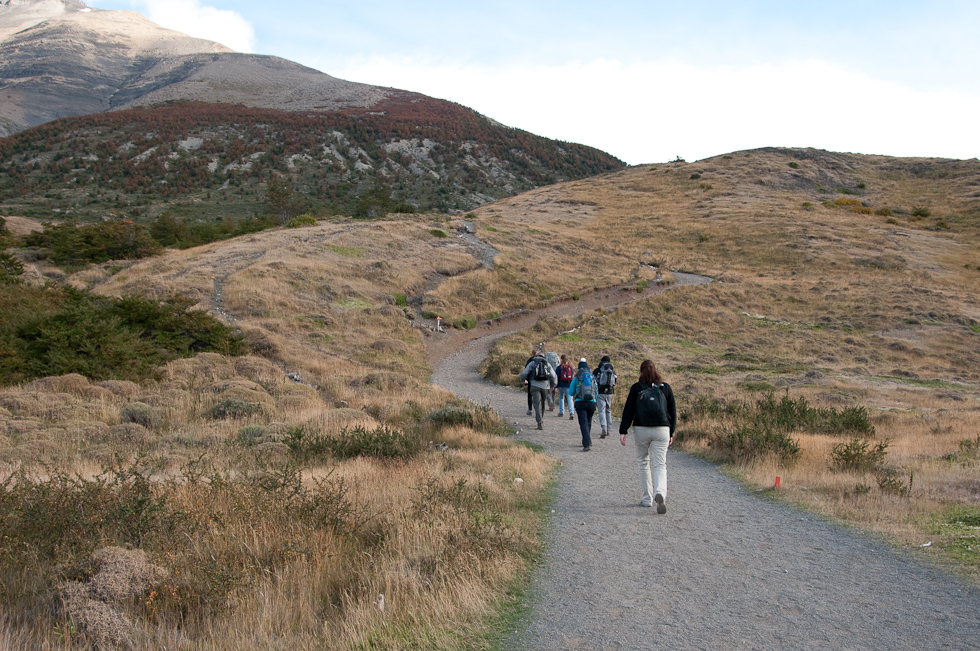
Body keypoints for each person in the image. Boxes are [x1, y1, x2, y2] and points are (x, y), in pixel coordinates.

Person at [619, 359, 676, 514]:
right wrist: (671, 432)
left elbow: (628, 410)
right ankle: (660, 492)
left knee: (643, 462)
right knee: (660, 464)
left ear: (641, 371)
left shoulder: (636, 388)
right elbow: (673, 411)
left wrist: (623, 431)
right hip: (662, 429)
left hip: (641, 429)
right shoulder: (665, 388)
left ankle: (647, 498)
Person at [519, 349, 558, 430]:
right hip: (545, 387)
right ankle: (541, 419)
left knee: (537, 404)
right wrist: (553, 385)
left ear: (537, 356)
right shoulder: (547, 363)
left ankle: (539, 422)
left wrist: (522, 380)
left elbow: (524, 373)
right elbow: (553, 375)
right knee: (542, 403)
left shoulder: (532, 363)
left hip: (534, 386)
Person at [567, 358, 597, 450]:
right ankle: (588, 440)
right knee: (588, 422)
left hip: (580, 402)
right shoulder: (592, 377)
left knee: (583, 423)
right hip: (591, 402)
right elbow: (596, 392)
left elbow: (571, 392)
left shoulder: (577, 377)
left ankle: (586, 444)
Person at [594, 355, 618, 439]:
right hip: (610, 392)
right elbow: (615, 381)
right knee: (608, 410)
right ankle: (609, 429)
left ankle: (603, 428)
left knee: (601, 410)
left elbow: (594, 381)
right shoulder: (612, 370)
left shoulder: (598, 370)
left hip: (600, 392)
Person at [555, 354, 576, 419]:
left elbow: (556, 377)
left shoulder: (559, 368)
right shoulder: (571, 367)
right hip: (569, 385)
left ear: (561, 359)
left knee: (561, 398)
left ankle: (561, 412)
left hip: (561, 385)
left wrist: (556, 386)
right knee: (570, 398)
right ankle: (571, 413)